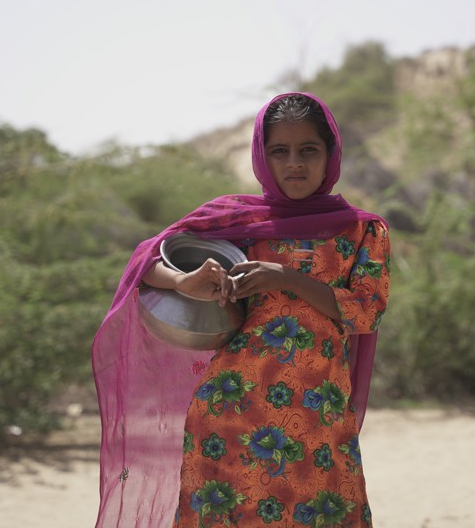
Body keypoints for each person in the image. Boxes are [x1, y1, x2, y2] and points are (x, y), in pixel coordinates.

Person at [92, 93, 390, 527]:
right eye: (279, 151)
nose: (294, 163)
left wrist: (286, 277)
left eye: (309, 150)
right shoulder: (237, 219)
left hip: (317, 416)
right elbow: (145, 262)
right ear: (262, 156)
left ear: (331, 154)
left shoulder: (361, 230)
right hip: (231, 410)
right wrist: (184, 281)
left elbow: (366, 311)